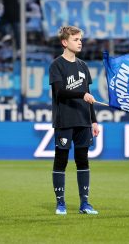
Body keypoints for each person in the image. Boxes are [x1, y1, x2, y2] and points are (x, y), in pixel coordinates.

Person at [49, 26, 100, 215]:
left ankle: (84, 203)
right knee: (61, 160)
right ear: (65, 42)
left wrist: (93, 121)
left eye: (80, 39)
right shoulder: (57, 65)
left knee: (83, 160)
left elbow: (89, 97)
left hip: (83, 121)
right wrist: (82, 94)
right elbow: (60, 92)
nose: (80, 42)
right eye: (76, 39)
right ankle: (60, 203)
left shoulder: (83, 66)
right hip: (64, 120)